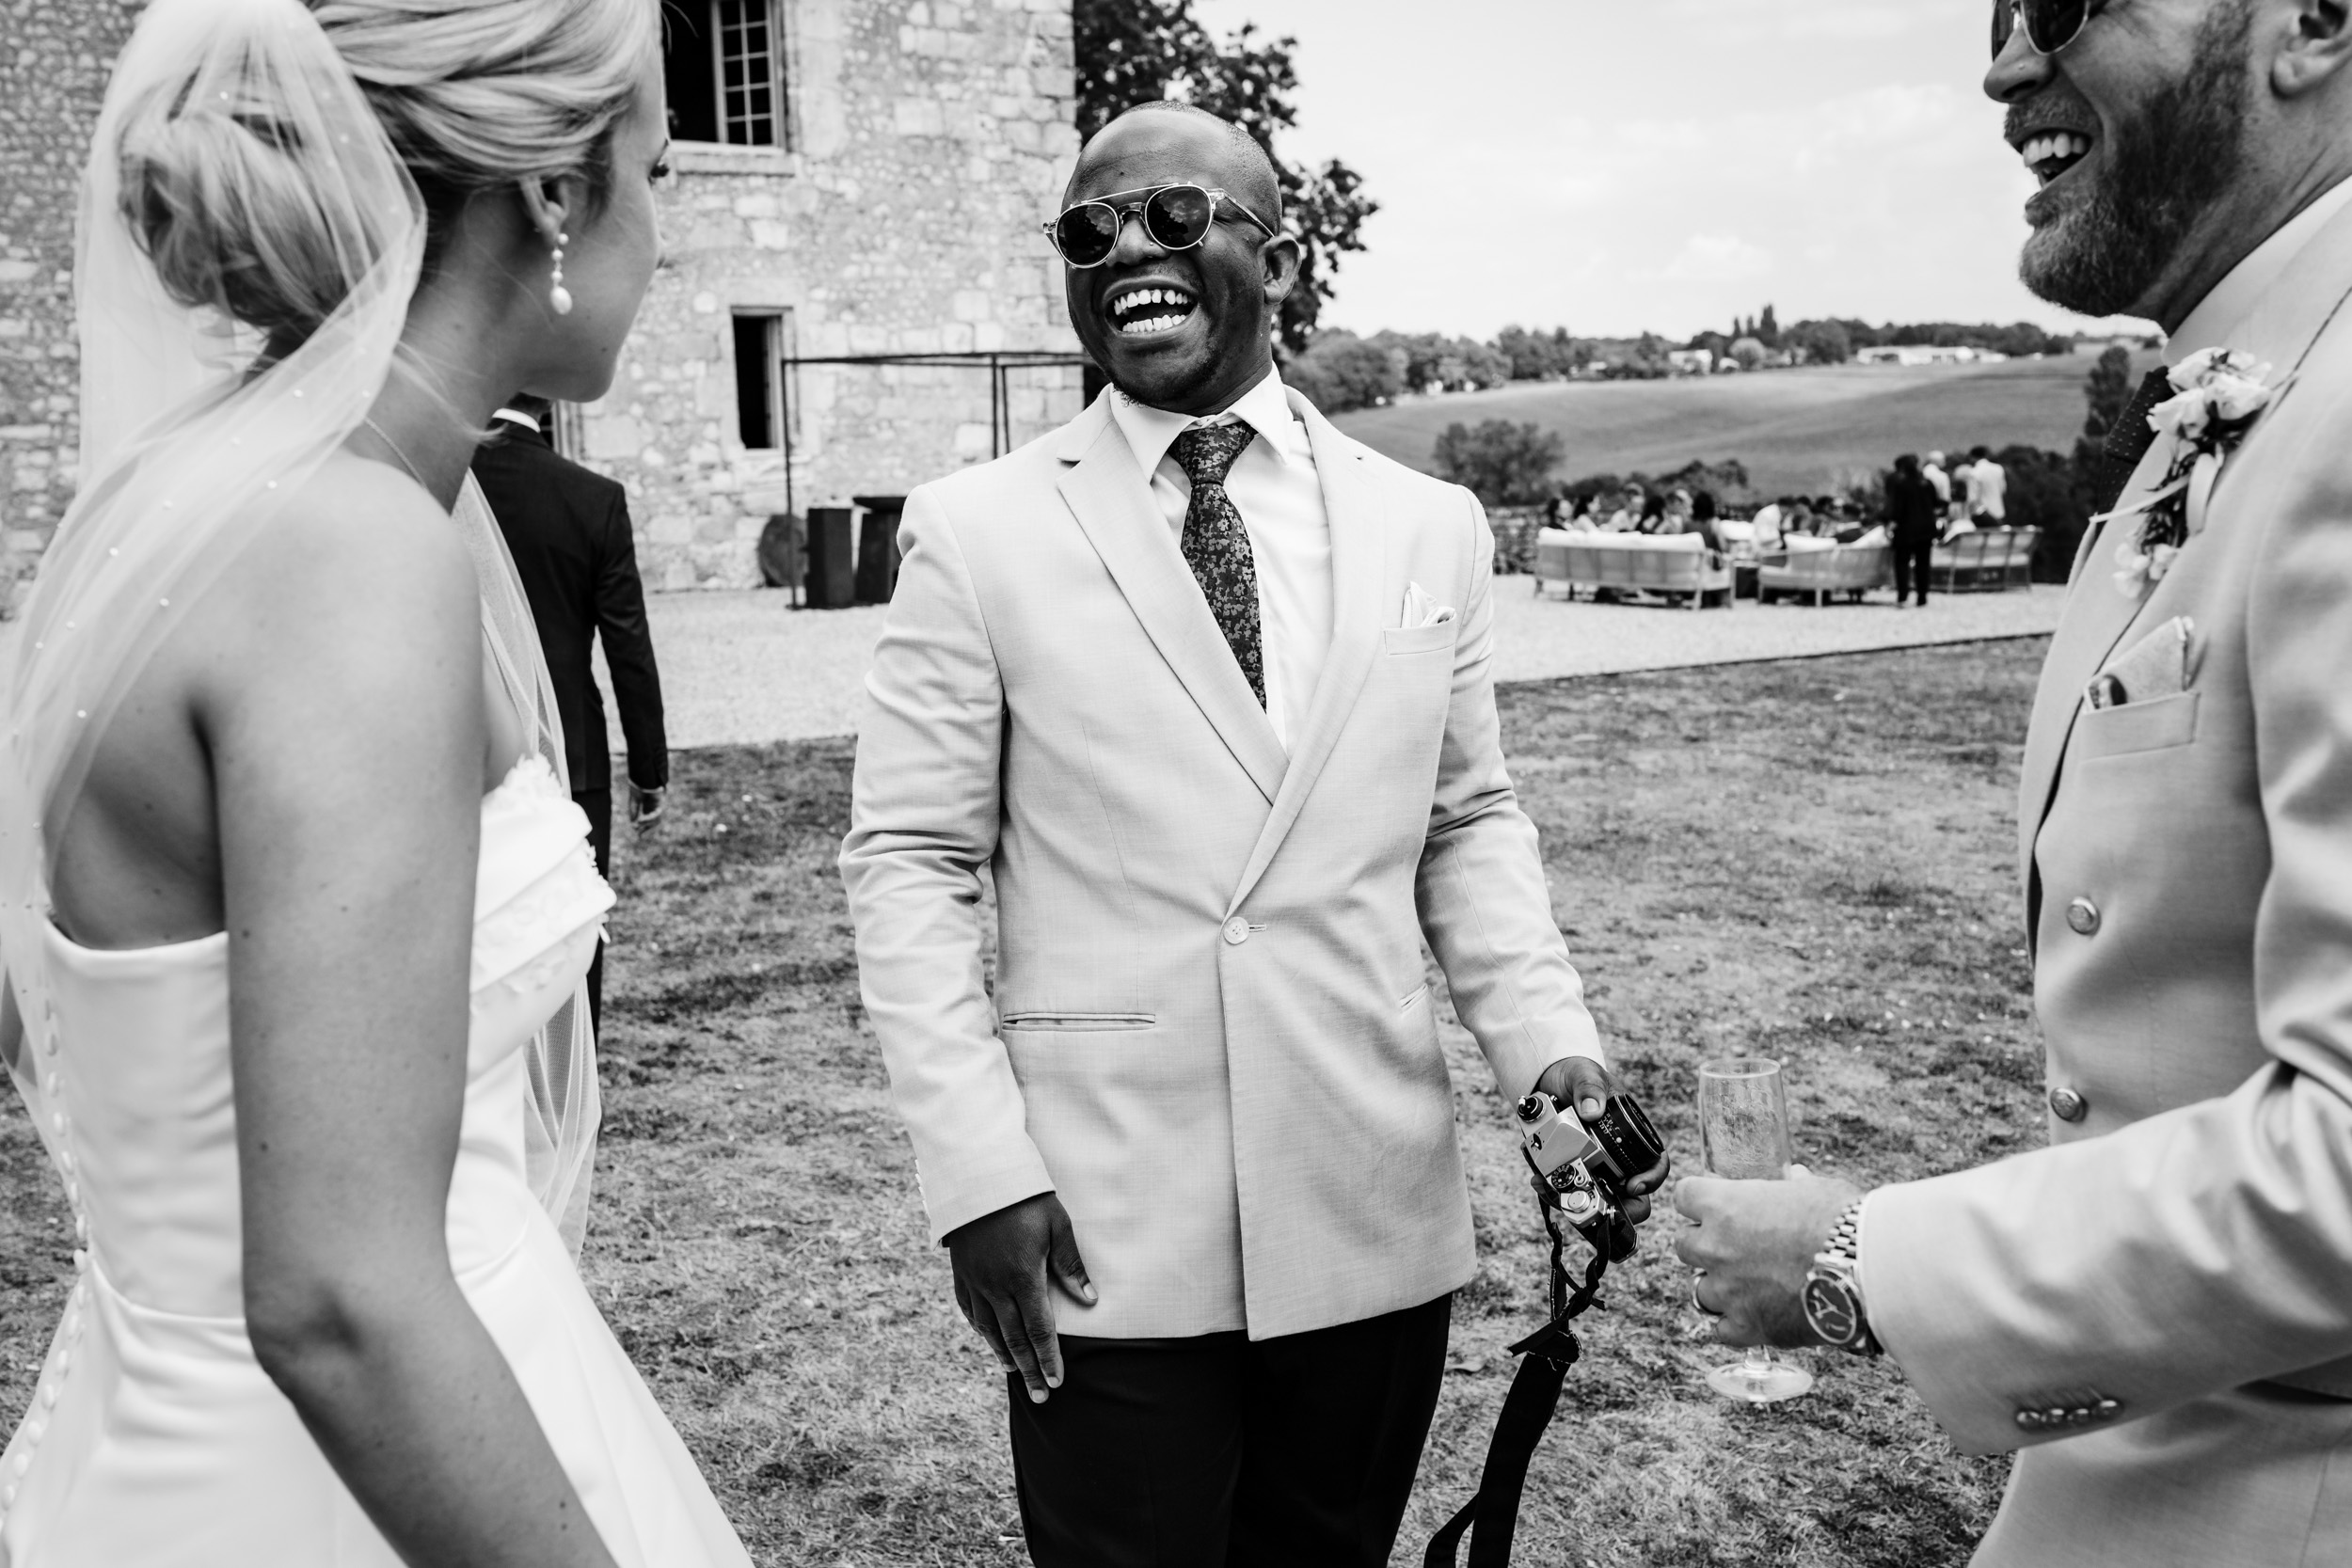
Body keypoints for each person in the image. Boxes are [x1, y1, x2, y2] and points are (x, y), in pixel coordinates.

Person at [840, 101, 1666, 1568]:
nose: (1124, 254)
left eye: (1170, 217)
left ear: (1276, 259)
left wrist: (1552, 1056)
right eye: (1086, 232)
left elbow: (1466, 815)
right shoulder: (977, 532)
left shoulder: (1431, 526)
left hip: (1367, 1201)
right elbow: (909, 863)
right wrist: (978, 1170)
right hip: (1102, 1214)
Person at [0, 3, 754, 1564]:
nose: (661, 236)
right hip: (323, 1485)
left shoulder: (181, 500)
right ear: (554, 191)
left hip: (159, 1404)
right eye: (655, 169)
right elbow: (341, 1297)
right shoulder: (348, 549)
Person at [1679, 3, 2352, 1561]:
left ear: (2313, 22)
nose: (2002, 66)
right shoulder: (2241, 404)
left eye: (2065, 3)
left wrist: (1856, 1256)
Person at [474, 394, 670, 1028]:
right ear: (548, 400)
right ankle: (574, 1085)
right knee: (571, 936)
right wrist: (648, 769)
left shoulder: (442, 484)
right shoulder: (594, 498)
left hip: (460, 751)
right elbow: (628, 646)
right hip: (571, 753)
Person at [1883, 453, 1941, 607]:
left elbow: (1896, 509)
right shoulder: (1927, 483)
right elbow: (1936, 504)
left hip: (1906, 529)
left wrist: (1890, 525)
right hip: (1927, 528)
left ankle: (1903, 596)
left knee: (1902, 563)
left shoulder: (1901, 485)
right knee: (1923, 564)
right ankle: (1922, 596)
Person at [1968, 443, 2009, 526]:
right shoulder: (1998, 469)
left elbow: (1972, 498)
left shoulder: (1974, 472)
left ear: (1972, 457)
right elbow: (2003, 490)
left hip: (1982, 516)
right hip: (1999, 512)